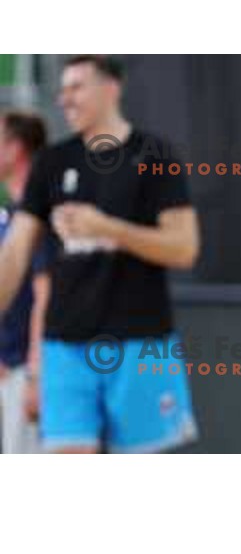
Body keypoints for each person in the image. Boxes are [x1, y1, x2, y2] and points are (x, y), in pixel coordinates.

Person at [0, 55, 200, 453]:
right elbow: (16, 252)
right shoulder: (51, 163)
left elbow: (184, 248)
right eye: (62, 90)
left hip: (141, 343)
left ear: (111, 88)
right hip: (65, 348)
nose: (65, 99)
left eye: (77, 87)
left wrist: (107, 228)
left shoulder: (154, 154)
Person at [0, 111, 50, 453]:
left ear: (15, 148)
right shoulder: (10, 217)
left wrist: (35, 374)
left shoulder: (43, 214)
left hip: (29, 375)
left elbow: (45, 295)